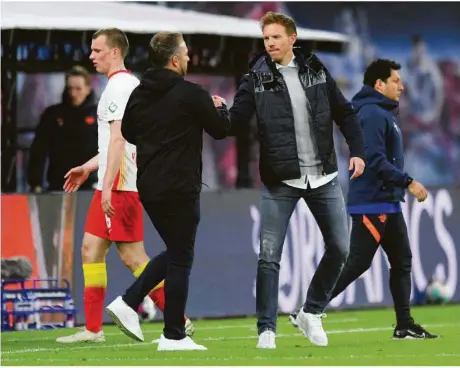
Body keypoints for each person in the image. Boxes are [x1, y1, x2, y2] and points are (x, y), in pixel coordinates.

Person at [213, 12, 365, 349]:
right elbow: (235, 122)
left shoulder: (315, 68)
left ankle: (311, 311)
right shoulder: (255, 76)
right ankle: (266, 330)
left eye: (276, 37)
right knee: (269, 256)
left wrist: (357, 151)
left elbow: (344, 112)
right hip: (280, 179)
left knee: (342, 247)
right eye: (266, 38)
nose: (270, 44)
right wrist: (218, 113)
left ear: (292, 38)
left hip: (323, 175)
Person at [56, 28, 194, 343]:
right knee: (91, 250)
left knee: (133, 258)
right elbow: (117, 143)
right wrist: (89, 167)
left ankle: (178, 319)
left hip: (119, 184)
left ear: (115, 52)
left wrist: (105, 186)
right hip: (114, 178)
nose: (91, 56)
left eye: (97, 50)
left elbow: (119, 140)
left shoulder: (120, 87)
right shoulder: (124, 85)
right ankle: (93, 329)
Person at [291, 59, 438, 339]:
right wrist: (408, 182)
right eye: (396, 81)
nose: (402, 86)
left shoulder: (382, 113)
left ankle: (404, 324)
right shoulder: (372, 113)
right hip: (373, 200)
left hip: (386, 201)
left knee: (402, 260)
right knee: (358, 261)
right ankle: (309, 309)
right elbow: (373, 159)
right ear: (379, 85)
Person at [105, 31, 230, 351]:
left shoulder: (139, 94)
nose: (189, 58)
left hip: (148, 185)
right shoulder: (191, 93)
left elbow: (130, 133)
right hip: (180, 185)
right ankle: (172, 333)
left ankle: (132, 303)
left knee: (177, 251)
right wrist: (221, 109)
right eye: (186, 53)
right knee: (181, 255)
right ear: (174, 59)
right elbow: (220, 131)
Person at [28, 66, 98, 192]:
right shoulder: (52, 114)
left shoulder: (100, 114)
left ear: (88, 89)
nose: (73, 93)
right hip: (59, 183)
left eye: (78, 89)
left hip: (91, 184)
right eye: (70, 88)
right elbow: (39, 149)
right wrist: (35, 182)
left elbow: (111, 150)